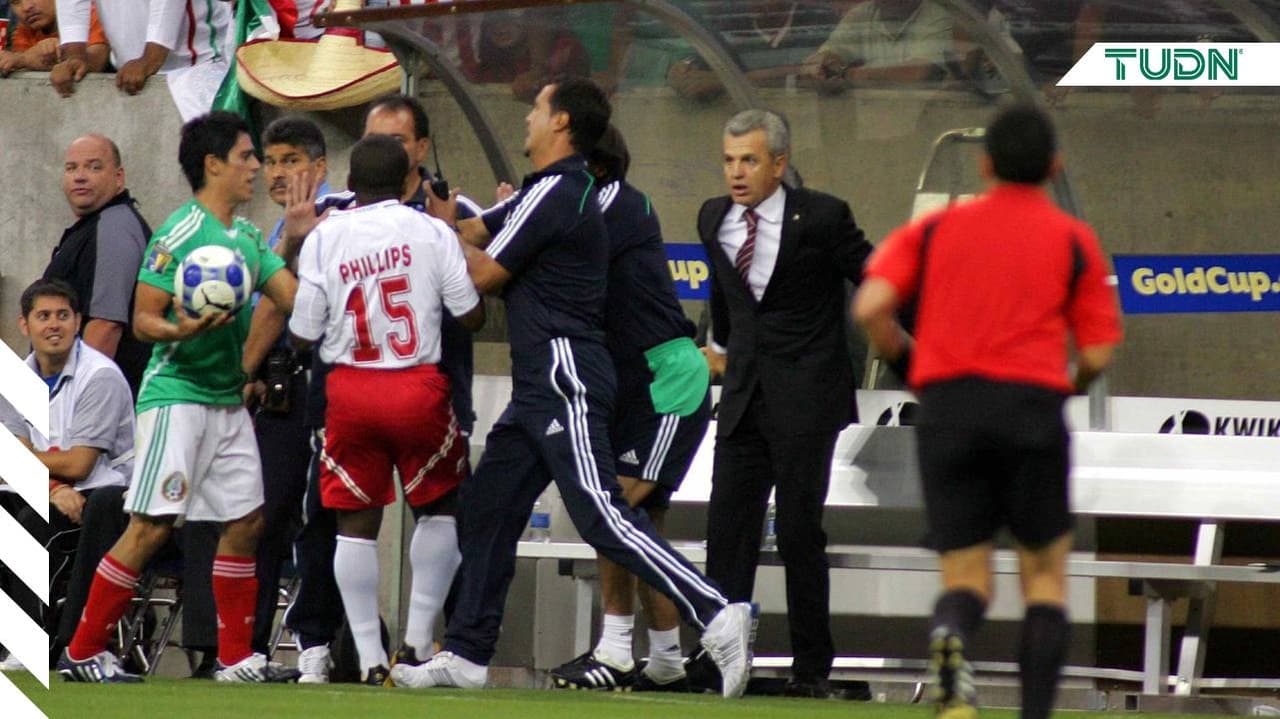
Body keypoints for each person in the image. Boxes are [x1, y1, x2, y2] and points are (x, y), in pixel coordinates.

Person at [393, 76, 756, 700]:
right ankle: (468, 654)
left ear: (561, 123)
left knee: (600, 510)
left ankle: (718, 613)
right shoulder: (548, 192)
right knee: (488, 506)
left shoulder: (560, 190)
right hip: (538, 381)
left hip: (565, 371)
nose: (527, 117)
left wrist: (436, 234)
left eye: (537, 108)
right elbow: (478, 232)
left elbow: (481, 273)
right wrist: (445, 225)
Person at [853, 105, 1123, 719]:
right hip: (1031, 408)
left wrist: (914, 369)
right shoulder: (1071, 239)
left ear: (984, 164)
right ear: (1053, 167)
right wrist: (1069, 387)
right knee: (1044, 579)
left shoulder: (935, 229)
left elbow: (870, 306)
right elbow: (1098, 352)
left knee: (967, 577)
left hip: (949, 410)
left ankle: (951, 634)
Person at [57, 111, 300, 684]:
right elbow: (143, 319)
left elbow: (292, 298)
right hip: (176, 398)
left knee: (246, 521)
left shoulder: (246, 236)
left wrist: (299, 237)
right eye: (246, 156)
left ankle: (235, 660)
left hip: (226, 401)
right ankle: (82, 651)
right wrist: (181, 328)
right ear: (213, 165)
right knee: (152, 525)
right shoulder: (178, 234)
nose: (256, 167)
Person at [268, 93, 483, 683]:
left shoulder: (327, 233)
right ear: (407, 173)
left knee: (353, 525)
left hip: (351, 391)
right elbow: (471, 316)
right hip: (418, 386)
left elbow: (303, 332)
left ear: (350, 182)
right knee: (438, 511)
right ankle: (415, 644)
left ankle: (366, 658)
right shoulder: (433, 229)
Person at [697, 108, 873, 698]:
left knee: (799, 532)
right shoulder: (713, 217)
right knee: (728, 531)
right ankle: (719, 659)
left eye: (748, 160)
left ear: (778, 163)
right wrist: (722, 351)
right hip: (743, 397)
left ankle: (811, 666)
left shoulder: (822, 216)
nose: (736, 172)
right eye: (729, 160)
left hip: (807, 398)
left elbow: (875, 276)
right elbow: (726, 297)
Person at [548, 125, 711, 692]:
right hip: (631, 385)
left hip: (666, 379)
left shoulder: (619, 203)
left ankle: (616, 650)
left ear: (593, 165)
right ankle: (666, 659)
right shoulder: (587, 208)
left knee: (611, 510)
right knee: (640, 526)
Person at [0, 279, 133, 671]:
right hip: (49, 490)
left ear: (78, 322)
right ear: (25, 325)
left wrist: (32, 466)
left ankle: (35, 644)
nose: (53, 325)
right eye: (43, 316)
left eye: (63, 315)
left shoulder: (99, 376)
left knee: (33, 524)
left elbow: (80, 465)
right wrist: (52, 485)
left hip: (108, 497)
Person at [238, 116, 329, 662]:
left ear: (319, 167)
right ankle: (248, 647)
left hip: (309, 384)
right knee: (269, 519)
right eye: (269, 161)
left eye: (290, 161)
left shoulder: (325, 219)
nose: (276, 173)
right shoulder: (281, 225)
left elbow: (281, 305)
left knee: (292, 518)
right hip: (279, 387)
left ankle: (312, 643)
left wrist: (242, 373)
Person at [44, 134, 152, 395]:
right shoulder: (94, 226)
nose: (80, 176)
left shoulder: (114, 227)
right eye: (72, 168)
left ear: (119, 177)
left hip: (97, 403)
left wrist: (70, 402)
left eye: (94, 167)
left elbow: (106, 327)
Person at [50, 0, 232, 120]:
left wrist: (150, 59)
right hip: (128, 69)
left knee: (216, 152)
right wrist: (75, 55)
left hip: (199, 63)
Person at [804, 0, 952, 90]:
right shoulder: (863, 13)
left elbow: (917, 74)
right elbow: (828, 54)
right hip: (867, 114)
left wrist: (847, 74)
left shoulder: (936, 16)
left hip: (923, 114)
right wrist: (821, 67)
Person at [0, 0, 107, 75]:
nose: (26, 7)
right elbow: (19, 72)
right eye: (15, 1)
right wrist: (22, 60)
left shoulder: (90, 13)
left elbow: (96, 63)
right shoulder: (25, 29)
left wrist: (24, 60)